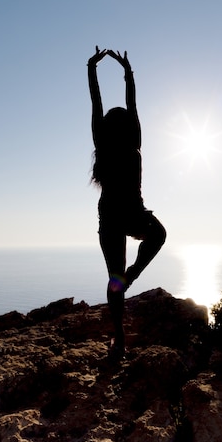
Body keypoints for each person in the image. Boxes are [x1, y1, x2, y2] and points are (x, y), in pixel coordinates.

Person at [88, 46, 166, 360]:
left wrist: (110, 71)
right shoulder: (110, 143)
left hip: (129, 212)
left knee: (154, 239)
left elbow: (110, 103)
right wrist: (108, 71)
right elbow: (100, 103)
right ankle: (119, 338)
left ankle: (130, 277)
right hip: (114, 216)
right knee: (115, 277)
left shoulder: (127, 141)